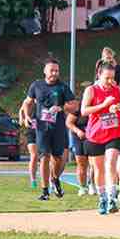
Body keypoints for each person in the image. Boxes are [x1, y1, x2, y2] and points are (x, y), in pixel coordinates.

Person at [82, 59, 120, 215]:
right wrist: (104, 105)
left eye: (112, 78)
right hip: (95, 135)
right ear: (99, 75)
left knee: (110, 163)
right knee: (99, 169)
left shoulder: (117, 90)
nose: (110, 81)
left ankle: (111, 198)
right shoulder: (91, 90)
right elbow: (84, 111)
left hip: (114, 134)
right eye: (106, 78)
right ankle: (102, 198)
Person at [21, 58, 78, 201]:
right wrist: (27, 116)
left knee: (58, 158)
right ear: (45, 71)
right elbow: (27, 102)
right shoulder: (36, 85)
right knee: (44, 156)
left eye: (56, 71)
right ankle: (45, 191)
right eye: (51, 70)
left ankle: (55, 178)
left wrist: (61, 107)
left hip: (58, 127)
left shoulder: (63, 87)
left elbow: (74, 105)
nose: (54, 73)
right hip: (42, 128)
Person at [66, 83, 93, 195]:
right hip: (80, 137)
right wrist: (78, 131)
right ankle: (82, 187)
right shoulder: (79, 108)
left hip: (94, 137)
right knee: (82, 163)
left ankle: (92, 184)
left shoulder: (99, 106)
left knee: (94, 163)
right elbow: (69, 122)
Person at [18, 100, 41, 189]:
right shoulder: (29, 100)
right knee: (34, 155)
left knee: (45, 156)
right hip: (32, 130)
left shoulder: (46, 98)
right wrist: (22, 119)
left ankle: (49, 179)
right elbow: (21, 109)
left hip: (44, 129)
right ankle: (33, 179)